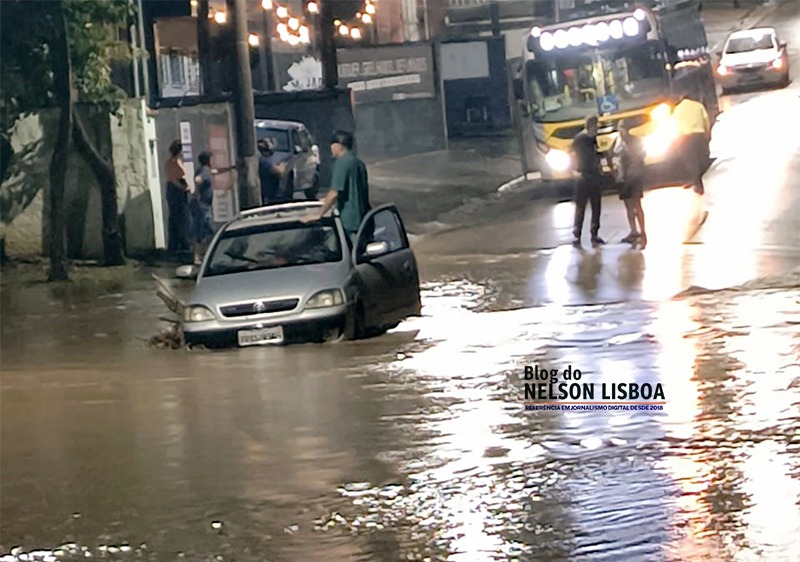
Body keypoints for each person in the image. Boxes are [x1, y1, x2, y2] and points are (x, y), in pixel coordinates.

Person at [304, 130, 370, 243]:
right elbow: (352, 190)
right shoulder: (358, 163)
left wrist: (319, 214)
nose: (331, 148)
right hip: (364, 220)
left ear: (338, 145)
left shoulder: (341, 163)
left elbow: (335, 192)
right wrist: (325, 200)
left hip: (348, 222)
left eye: (332, 145)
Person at [672, 93, 711, 241]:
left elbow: (675, 126)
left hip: (686, 137)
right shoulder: (698, 105)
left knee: (689, 160)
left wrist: (677, 142)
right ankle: (698, 179)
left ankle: (696, 181)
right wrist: (707, 136)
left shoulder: (677, 110)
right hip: (699, 136)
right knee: (701, 159)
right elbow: (706, 121)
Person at [190, 151, 234, 264]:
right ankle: (199, 255)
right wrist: (196, 187)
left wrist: (230, 168)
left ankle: (200, 255)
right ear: (208, 160)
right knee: (208, 230)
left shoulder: (206, 170)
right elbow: (198, 179)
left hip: (205, 206)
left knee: (203, 231)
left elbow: (216, 171)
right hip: (202, 206)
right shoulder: (204, 170)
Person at [570, 115, 607, 247]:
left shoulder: (588, 138)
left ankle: (587, 233)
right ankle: (583, 232)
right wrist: (575, 170)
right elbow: (575, 155)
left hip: (590, 175)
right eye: (596, 125)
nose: (598, 128)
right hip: (585, 175)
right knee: (586, 205)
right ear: (592, 125)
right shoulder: (583, 139)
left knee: (590, 205)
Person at [614, 119, 647, 249]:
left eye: (622, 128)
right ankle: (633, 231)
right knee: (628, 206)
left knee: (637, 205)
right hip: (623, 179)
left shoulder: (636, 141)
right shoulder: (618, 142)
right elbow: (614, 157)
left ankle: (643, 230)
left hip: (634, 177)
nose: (620, 131)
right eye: (619, 128)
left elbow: (641, 157)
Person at [165, 139, 190, 255]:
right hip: (175, 191)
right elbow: (173, 179)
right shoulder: (172, 162)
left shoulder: (178, 161)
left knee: (183, 216)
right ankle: (179, 243)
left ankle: (181, 241)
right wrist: (183, 187)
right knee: (178, 217)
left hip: (180, 190)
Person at [257, 138, 287, 204]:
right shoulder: (264, 161)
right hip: (267, 194)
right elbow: (279, 173)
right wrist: (282, 166)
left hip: (268, 193)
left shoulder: (262, 160)